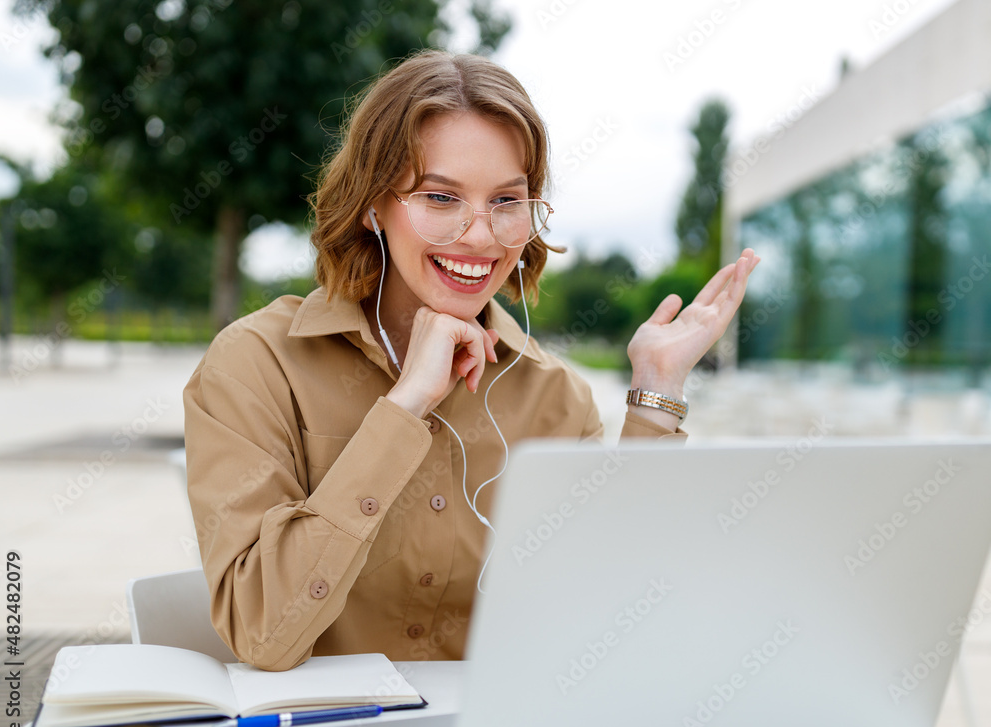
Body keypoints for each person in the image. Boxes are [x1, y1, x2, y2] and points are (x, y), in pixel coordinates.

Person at [183, 50, 759, 672]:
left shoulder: (556, 398)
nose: (480, 237)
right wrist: (405, 406)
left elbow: (609, 628)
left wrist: (656, 396)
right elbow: (262, 633)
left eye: (507, 202)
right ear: (375, 205)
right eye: (440, 196)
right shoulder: (255, 365)